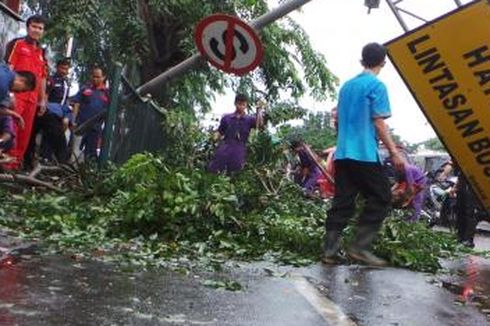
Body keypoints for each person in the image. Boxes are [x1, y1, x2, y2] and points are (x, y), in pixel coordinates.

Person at [322, 42, 405, 266]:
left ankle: (330, 251)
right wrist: (394, 152)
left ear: (362, 60)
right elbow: (378, 123)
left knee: (343, 201)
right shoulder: (376, 86)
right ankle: (359, 248)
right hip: (364, 154)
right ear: (383, 63)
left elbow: (338, 119)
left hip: (343, 153)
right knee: (381, 197)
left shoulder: (347, 86)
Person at [4, 15, 48, 169]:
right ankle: (4, 165)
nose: (37, 30)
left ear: (43, 31)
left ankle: (14, 167)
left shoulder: (42, 53)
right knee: (10, 129)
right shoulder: (17, 44)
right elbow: (8, 69)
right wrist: (8, 94)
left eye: (40, 28)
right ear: (28, 27)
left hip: (32, 100)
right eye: (34, 26)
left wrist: (42, 100)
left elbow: (42, 78)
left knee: (25, 134)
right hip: (17, 96)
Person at [26, 58, 72, 166]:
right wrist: (44, 107)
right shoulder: (51, 80)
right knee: (44, 136)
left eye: (66, 69)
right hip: (48, 112)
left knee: (55, 137)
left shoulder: (66, 82)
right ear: (57, 67)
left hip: (59, 113)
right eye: (62, 68)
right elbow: (45, 95)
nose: (64, 71)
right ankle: (36, 159)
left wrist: (67, 115)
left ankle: (55, 161)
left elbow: (66, 100)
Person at [208, 93, 264, 174]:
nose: (241, 106)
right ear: (235, 103)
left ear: (246, 105)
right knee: (216, 167)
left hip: (239, 148)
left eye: (243, 105)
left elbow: (260, 125)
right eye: (239, 104)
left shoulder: (249, 119)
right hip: (226, 146)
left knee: (235, 171)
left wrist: (259, 110)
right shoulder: (226, 118)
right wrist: (213, 139)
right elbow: (220, 132)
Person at [71, 67, 110, 160]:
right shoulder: (85, 89)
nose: (95, 79)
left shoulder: (108, 93)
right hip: (81, 126)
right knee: (74, 152)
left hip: (95, 129)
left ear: (103, 77)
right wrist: (73, 120)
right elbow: (76, 103)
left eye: (98, 77)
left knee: (90, 154)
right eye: (93, 76)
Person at [0, 64, 36, 158]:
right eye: (22, 90)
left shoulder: (4, 69)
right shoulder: (3, 86)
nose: (18, 93)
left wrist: (13, 114)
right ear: (21, 81)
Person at [453, 171, 480, 248]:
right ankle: (460, 236)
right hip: (463, 184)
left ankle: (468, 239)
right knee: (460, 211)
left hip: (474, 185)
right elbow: (461, 173)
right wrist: (455, 187)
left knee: (469, 213)